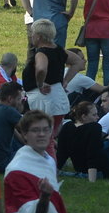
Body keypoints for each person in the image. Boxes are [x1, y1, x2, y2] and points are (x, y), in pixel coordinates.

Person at [23, 19, 84, 154]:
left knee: (45, 140)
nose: (31, 36)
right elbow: (79, 63)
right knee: (49, 138)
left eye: (32, 33)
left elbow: (41, 69)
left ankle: (48, 169)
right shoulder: (59, 50)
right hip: (57, 98)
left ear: (38, 36)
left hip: (44, 100)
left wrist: (40, 83)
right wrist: (65, 80)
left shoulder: (42, 52)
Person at [3, 110, 67, 213]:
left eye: (45, 129)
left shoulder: (49, 160)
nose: (41, 134)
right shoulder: (17, 171)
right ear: (24, 134)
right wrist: (45, 196)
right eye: (35, 130)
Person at [56, 101, 103, 182]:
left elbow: (61, 154)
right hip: (99, 171)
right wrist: (92, 181)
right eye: (94, 115)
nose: (97, 117)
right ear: (84, 116)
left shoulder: (67, 126)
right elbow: (93, 155)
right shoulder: (95, 127)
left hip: (82, 170)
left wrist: (54, 173)